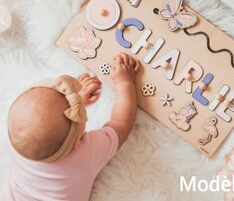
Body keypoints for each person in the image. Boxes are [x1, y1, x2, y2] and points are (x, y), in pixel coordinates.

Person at [1, 52, 140, 200]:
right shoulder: (86, 153)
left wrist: (76, 100)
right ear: (76, 141)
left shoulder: (19, 139)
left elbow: (48, 120)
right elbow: (121, 123)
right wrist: (124, 83)